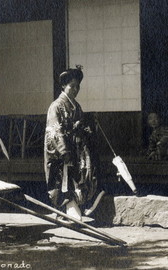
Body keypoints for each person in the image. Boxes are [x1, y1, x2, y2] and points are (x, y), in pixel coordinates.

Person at [44, 66, 101, 221]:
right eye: (72, 86)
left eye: (78, 86)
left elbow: (80, 125)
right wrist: (64, 151)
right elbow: (54, 131)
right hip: (62, 150)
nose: (76, 89)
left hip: (76, 148)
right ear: (63, 86)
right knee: (64, 178)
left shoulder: (76, 106)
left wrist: (85, 130)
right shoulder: (56, 106)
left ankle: (74, 206)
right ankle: (67, 207)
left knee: (82, 174)